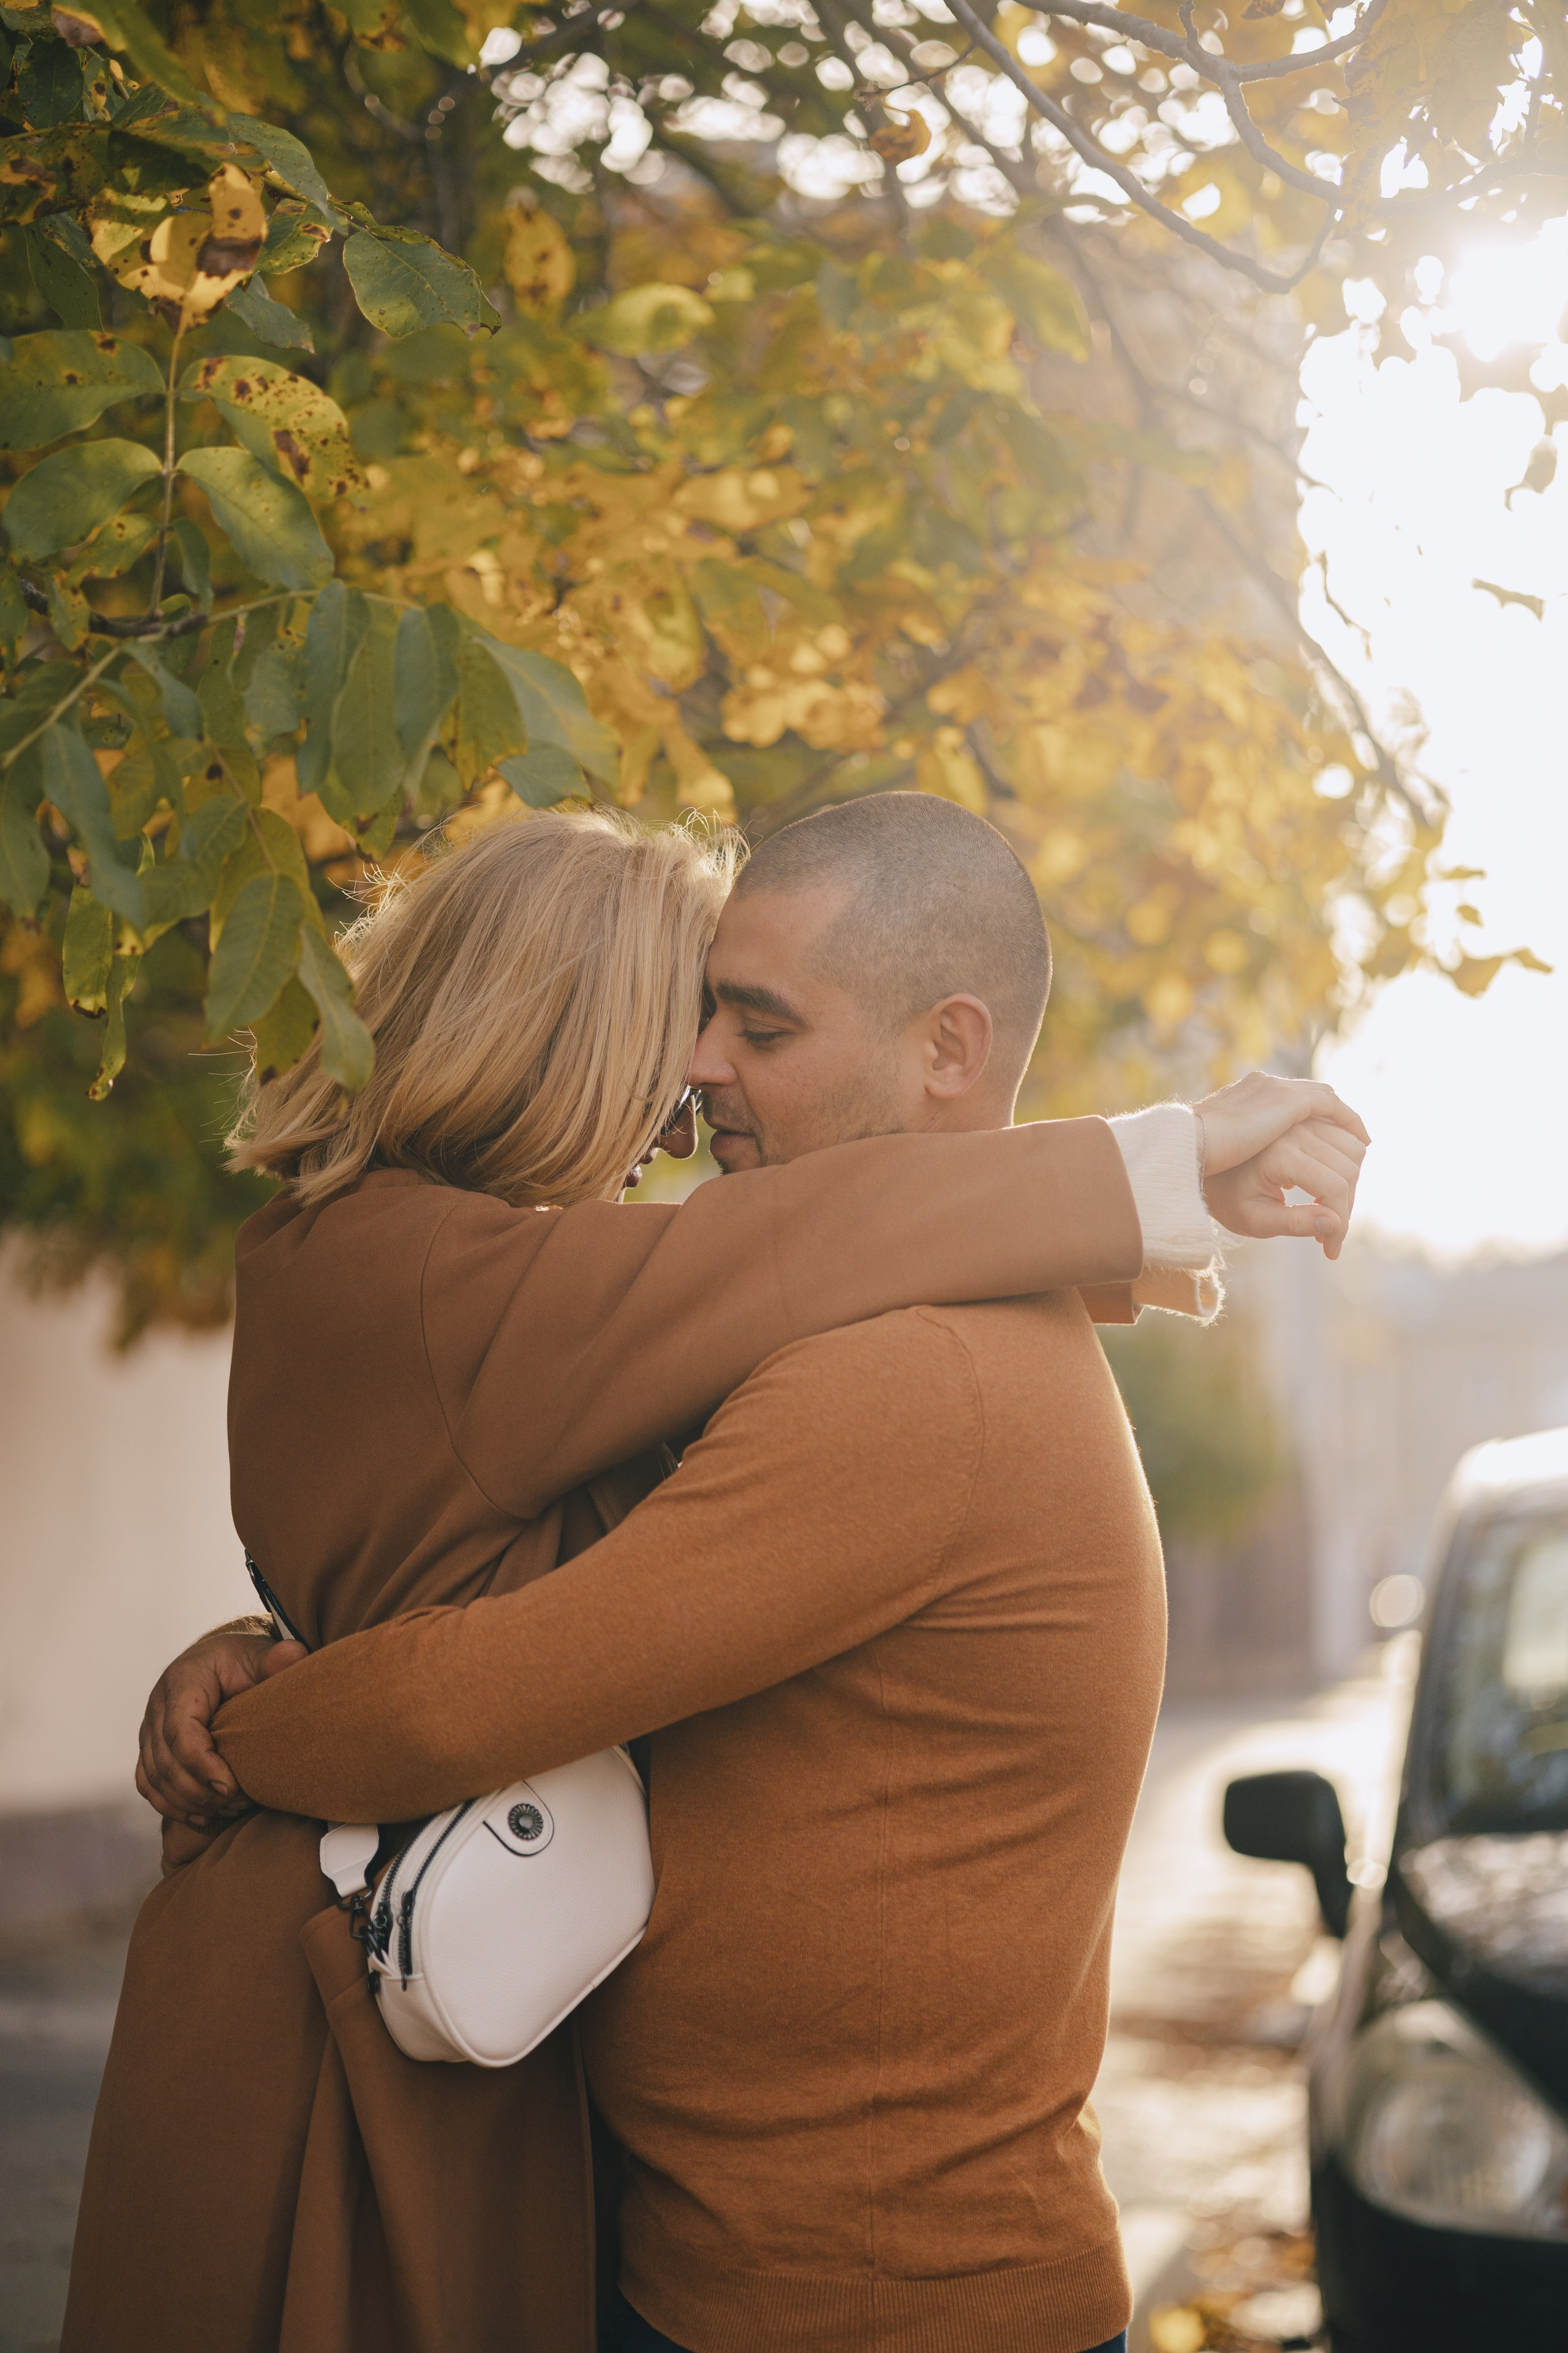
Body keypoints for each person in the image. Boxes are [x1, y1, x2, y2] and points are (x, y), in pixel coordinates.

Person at [121, 796, 1369, 2353]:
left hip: (842, 2291)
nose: (694, 1079)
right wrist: (1158, 1175)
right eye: (681, 1028)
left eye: (750, 1026)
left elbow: (497, 1642)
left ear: (946, 1045)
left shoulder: (905, 1375)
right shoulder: (465, 1276)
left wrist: (244, 1707)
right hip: (417, 2049)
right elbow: (778, 1258)